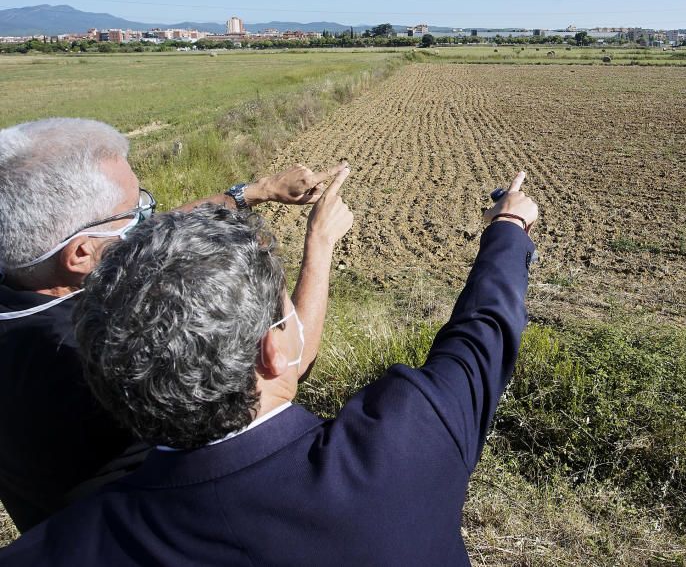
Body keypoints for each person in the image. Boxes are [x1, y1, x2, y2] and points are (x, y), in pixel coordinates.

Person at [0, 169, 538, 566]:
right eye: (283, 313)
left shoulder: (56, 547)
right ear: (273, 350)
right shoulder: (405, 445)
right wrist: (510, 223)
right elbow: (483, 331)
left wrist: (246, 195)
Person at [0, 117, 341, 531]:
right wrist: (320, 243)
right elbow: (279, 369)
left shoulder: (22, 280)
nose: (149, 217)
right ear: (80, 255)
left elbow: (153, 236)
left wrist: (255, 191)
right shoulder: (96, 348)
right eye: (136, 213)